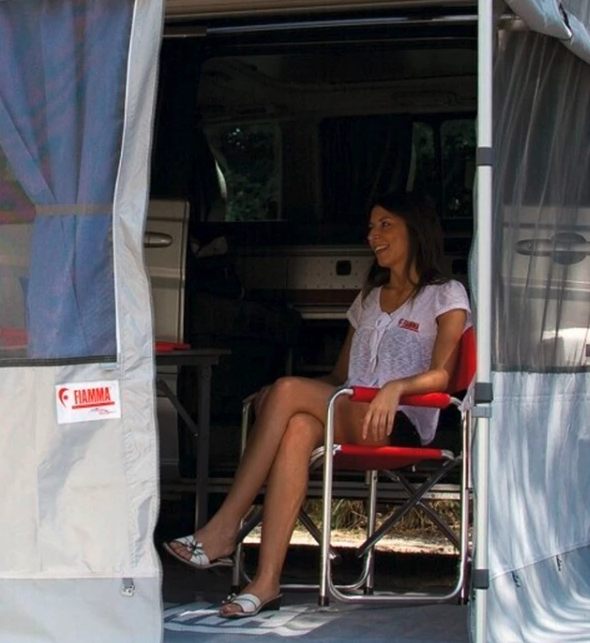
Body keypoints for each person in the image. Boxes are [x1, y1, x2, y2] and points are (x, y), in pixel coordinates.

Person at [164, 191, 469, 618]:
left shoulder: (446, 293)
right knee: (297, 428)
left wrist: (395, 388)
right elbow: (339, 377)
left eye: (385, 225)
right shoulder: (369, 298)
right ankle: (266, 582)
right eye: (371, 227)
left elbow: (443, 375)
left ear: (416, 229)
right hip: (350, 410)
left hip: (399, 421)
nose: (373, 236)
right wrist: (282, 397)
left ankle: (225, 527)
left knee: (288, 392)